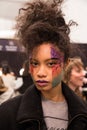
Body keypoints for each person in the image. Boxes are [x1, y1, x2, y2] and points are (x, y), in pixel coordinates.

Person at [0, 0, 87, 130]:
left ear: (65, 64)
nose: (41, 72)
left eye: (51, 63)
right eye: (35, 63)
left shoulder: (82, 113)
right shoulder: (7, 114)